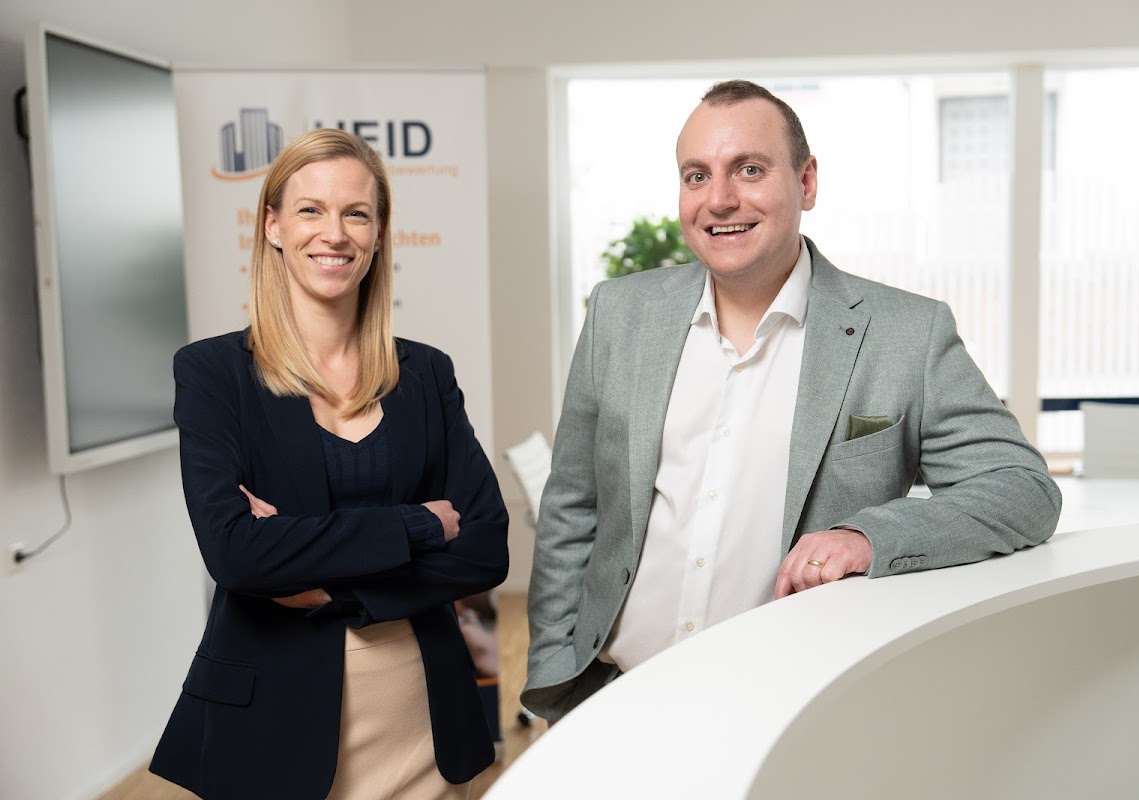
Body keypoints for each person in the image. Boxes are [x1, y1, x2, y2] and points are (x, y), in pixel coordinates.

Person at [522, 80, 1061, 720]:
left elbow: (1022, 489)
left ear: (806, 182)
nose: (720, 200)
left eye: (749, 170)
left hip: (791, 714)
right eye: (697, 176)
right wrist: (554, 677)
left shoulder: (906, 335)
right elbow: (572, 504)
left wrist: (866, 536)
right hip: (616, 701)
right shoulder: (619, 314)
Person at [150, 128, 508, 799]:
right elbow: (236, 554)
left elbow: (486, 547)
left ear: (379, 233)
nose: (334, 234)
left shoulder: (426, 373)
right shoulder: (213, 373)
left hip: (423, 723)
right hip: (272, 726)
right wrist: (417, 526)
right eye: (311, 210)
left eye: (357, 213)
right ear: (273, 226)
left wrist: (332, 586)